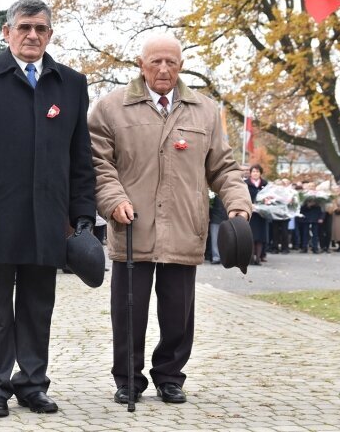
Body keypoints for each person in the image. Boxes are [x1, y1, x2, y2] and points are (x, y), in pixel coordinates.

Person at [0, 0, 97, 418]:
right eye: (25, 27)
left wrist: (83, 214)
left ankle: (32, 383)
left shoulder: (70, 83)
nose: (33, 35)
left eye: (41, 29)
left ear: (50, 35)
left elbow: (79, 156)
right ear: (6, 31)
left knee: (37, 308)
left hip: (48, 218)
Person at [88, 32, 251, 405]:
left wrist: (238, 204)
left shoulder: (205, 111)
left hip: (183, 226)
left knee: (178, 312)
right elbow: (98, 164)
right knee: (128, 311)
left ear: (181, 66)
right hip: (132, 226)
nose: (163, 69)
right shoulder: (111, 108)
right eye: (155, 61)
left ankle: (170, 376)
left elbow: (223, 167)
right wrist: (113, 201)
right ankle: (128, 378)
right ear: (140, 65)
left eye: (171, 62)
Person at [245, 165, 269, 266]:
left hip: (261, 214)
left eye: (257, 172)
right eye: (253, 171)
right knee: (250, 236)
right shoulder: (245, 183)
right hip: (249, 214)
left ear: (260, 173)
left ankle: (258, 258)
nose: (255, 173)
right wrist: (250, 204)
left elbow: (270, 196)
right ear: (250, 173)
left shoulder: (265, 184)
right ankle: (250, 258)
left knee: (260, 237)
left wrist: (267, 202)